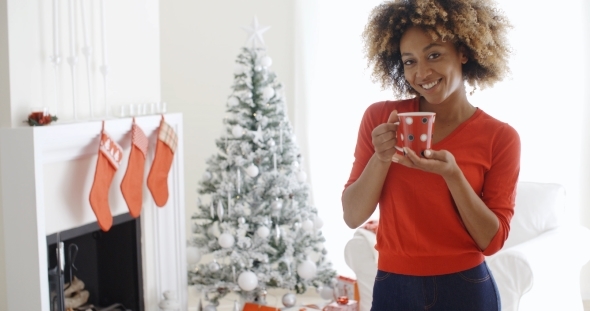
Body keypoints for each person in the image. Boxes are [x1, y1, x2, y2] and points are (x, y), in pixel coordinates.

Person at [341, 0, 520, 310]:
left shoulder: (500, 138)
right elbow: (353, 216)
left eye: (434, 55)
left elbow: (492, 241)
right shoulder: (382, 119)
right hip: (393, 285)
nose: (421, 73)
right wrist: (380, 157)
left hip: (466, 287)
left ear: (463, 52)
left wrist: (453, 175)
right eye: (409, 61)